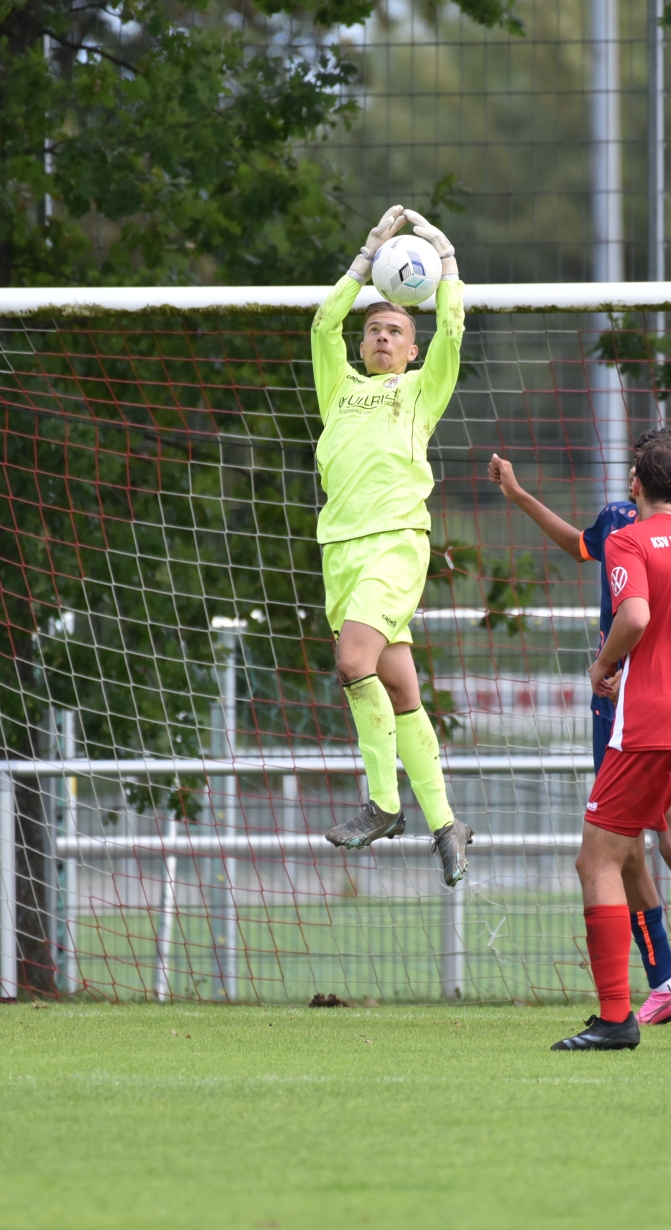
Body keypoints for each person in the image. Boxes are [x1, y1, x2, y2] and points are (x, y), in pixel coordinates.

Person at [488, 441, 671, 1029]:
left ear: (635, 480)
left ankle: (652, 1004)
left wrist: (608, 668)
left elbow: (636, 615)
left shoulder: (635, 537)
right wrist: (519, 496)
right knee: (652, 855)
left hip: (639, 708)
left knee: (614, 852)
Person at [310, 205, 472, 886]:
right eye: (374, 329)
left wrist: (447, 261)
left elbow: (453, 328)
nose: (382, 337)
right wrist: (364, 258)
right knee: (400, 688)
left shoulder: (420, 392)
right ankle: (446, 823)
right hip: (340, 553)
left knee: (353, 663)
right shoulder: (339, 388)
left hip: (396, 546)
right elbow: (323, 325)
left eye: (396, 331)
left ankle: (382, 803)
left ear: (412, 350)